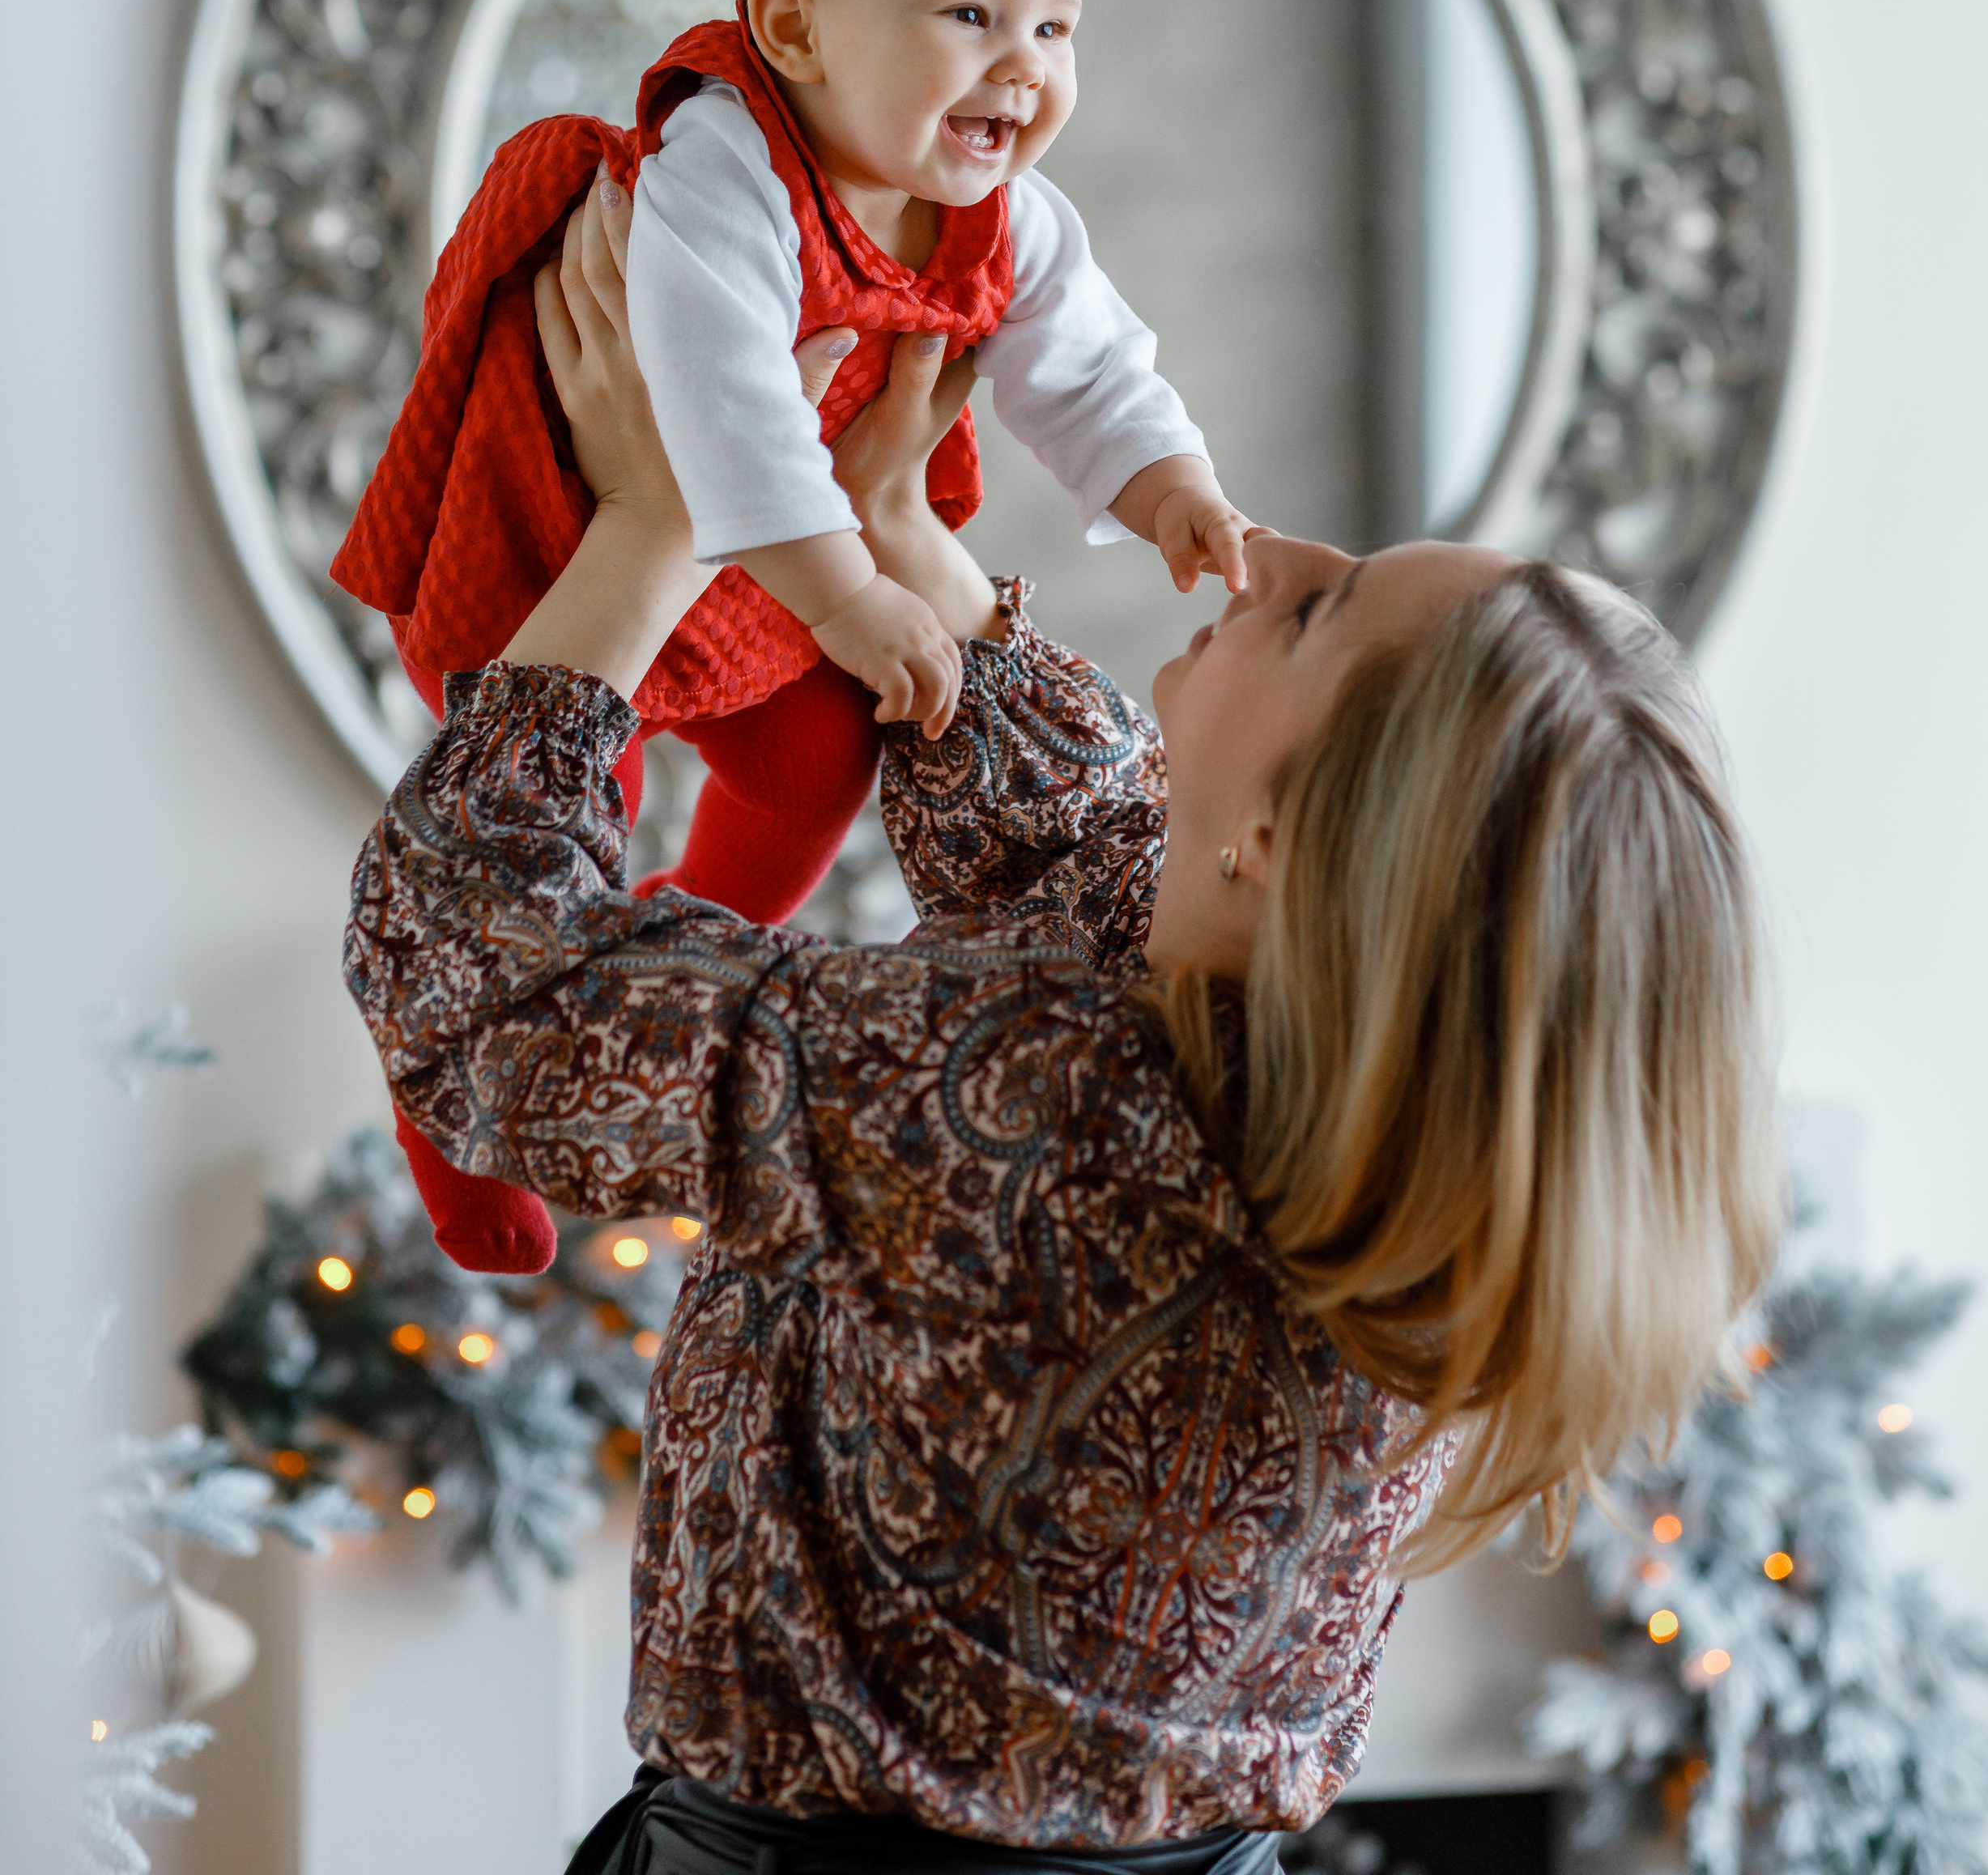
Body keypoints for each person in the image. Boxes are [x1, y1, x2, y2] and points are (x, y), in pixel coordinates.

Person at [344, 180, 1780, 1875]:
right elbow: (1088, 847)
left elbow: (484, 986)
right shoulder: (1377, 1141)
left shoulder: (1039, 1106)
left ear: (1292, 849)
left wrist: (654, 525)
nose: (1288, 551)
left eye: (1323, 609)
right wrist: (877, 521)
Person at [335, 0, 1245, 1273]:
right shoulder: (727, 169)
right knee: (559, 800)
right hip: (573, 555)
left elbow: (1088, 363)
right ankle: (453, 1096)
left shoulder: (1010, 215)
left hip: (765, 574)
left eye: (1056, 26)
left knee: (819, 763)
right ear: (796, 29)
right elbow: (723, 410)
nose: (1022, 67)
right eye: (970, 16)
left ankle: (640, 963)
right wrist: (848, 599)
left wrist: (1170, 491)